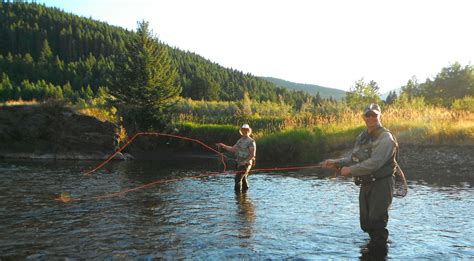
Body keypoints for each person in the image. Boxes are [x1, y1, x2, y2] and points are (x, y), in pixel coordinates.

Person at [321, 103, 398, 251]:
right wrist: (336, 163)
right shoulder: (362, 136)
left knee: (376, 222)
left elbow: (374, 163)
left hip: (382, 184)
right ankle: (373, 251)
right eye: (367, 115)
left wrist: (350, 170)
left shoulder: (386, 137)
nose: (370, 118)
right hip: (366, 183)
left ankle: (379, 252)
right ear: (363, 117)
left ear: (379, 116)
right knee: (366, 223)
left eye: (374, 115)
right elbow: (355, 158)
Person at [217, 124, 256, 192]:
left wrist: (245, 161)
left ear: (249, 130)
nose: (244, 131)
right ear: (241, 131)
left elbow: (253, 155)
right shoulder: (240, 140)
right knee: (243, 179)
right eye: (243, 130)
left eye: (246, 130)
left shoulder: (251, 142)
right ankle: (244, 196)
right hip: (239, 162)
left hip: (246, 164)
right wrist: (223, 145)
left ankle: (238, 197)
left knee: (237, 179)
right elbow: (233, 149)